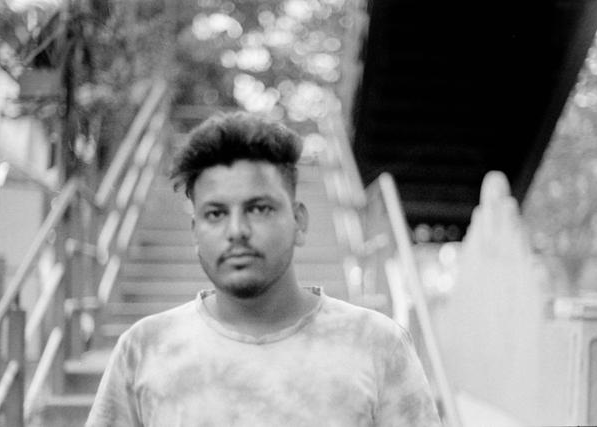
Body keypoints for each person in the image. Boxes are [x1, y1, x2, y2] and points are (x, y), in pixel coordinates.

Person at [86, 112, 442, 426]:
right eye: (215, 213)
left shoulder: (378, 344)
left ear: (299, 221)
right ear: (195, 232)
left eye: (259, 208)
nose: (237, 230)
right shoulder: (144, 349)